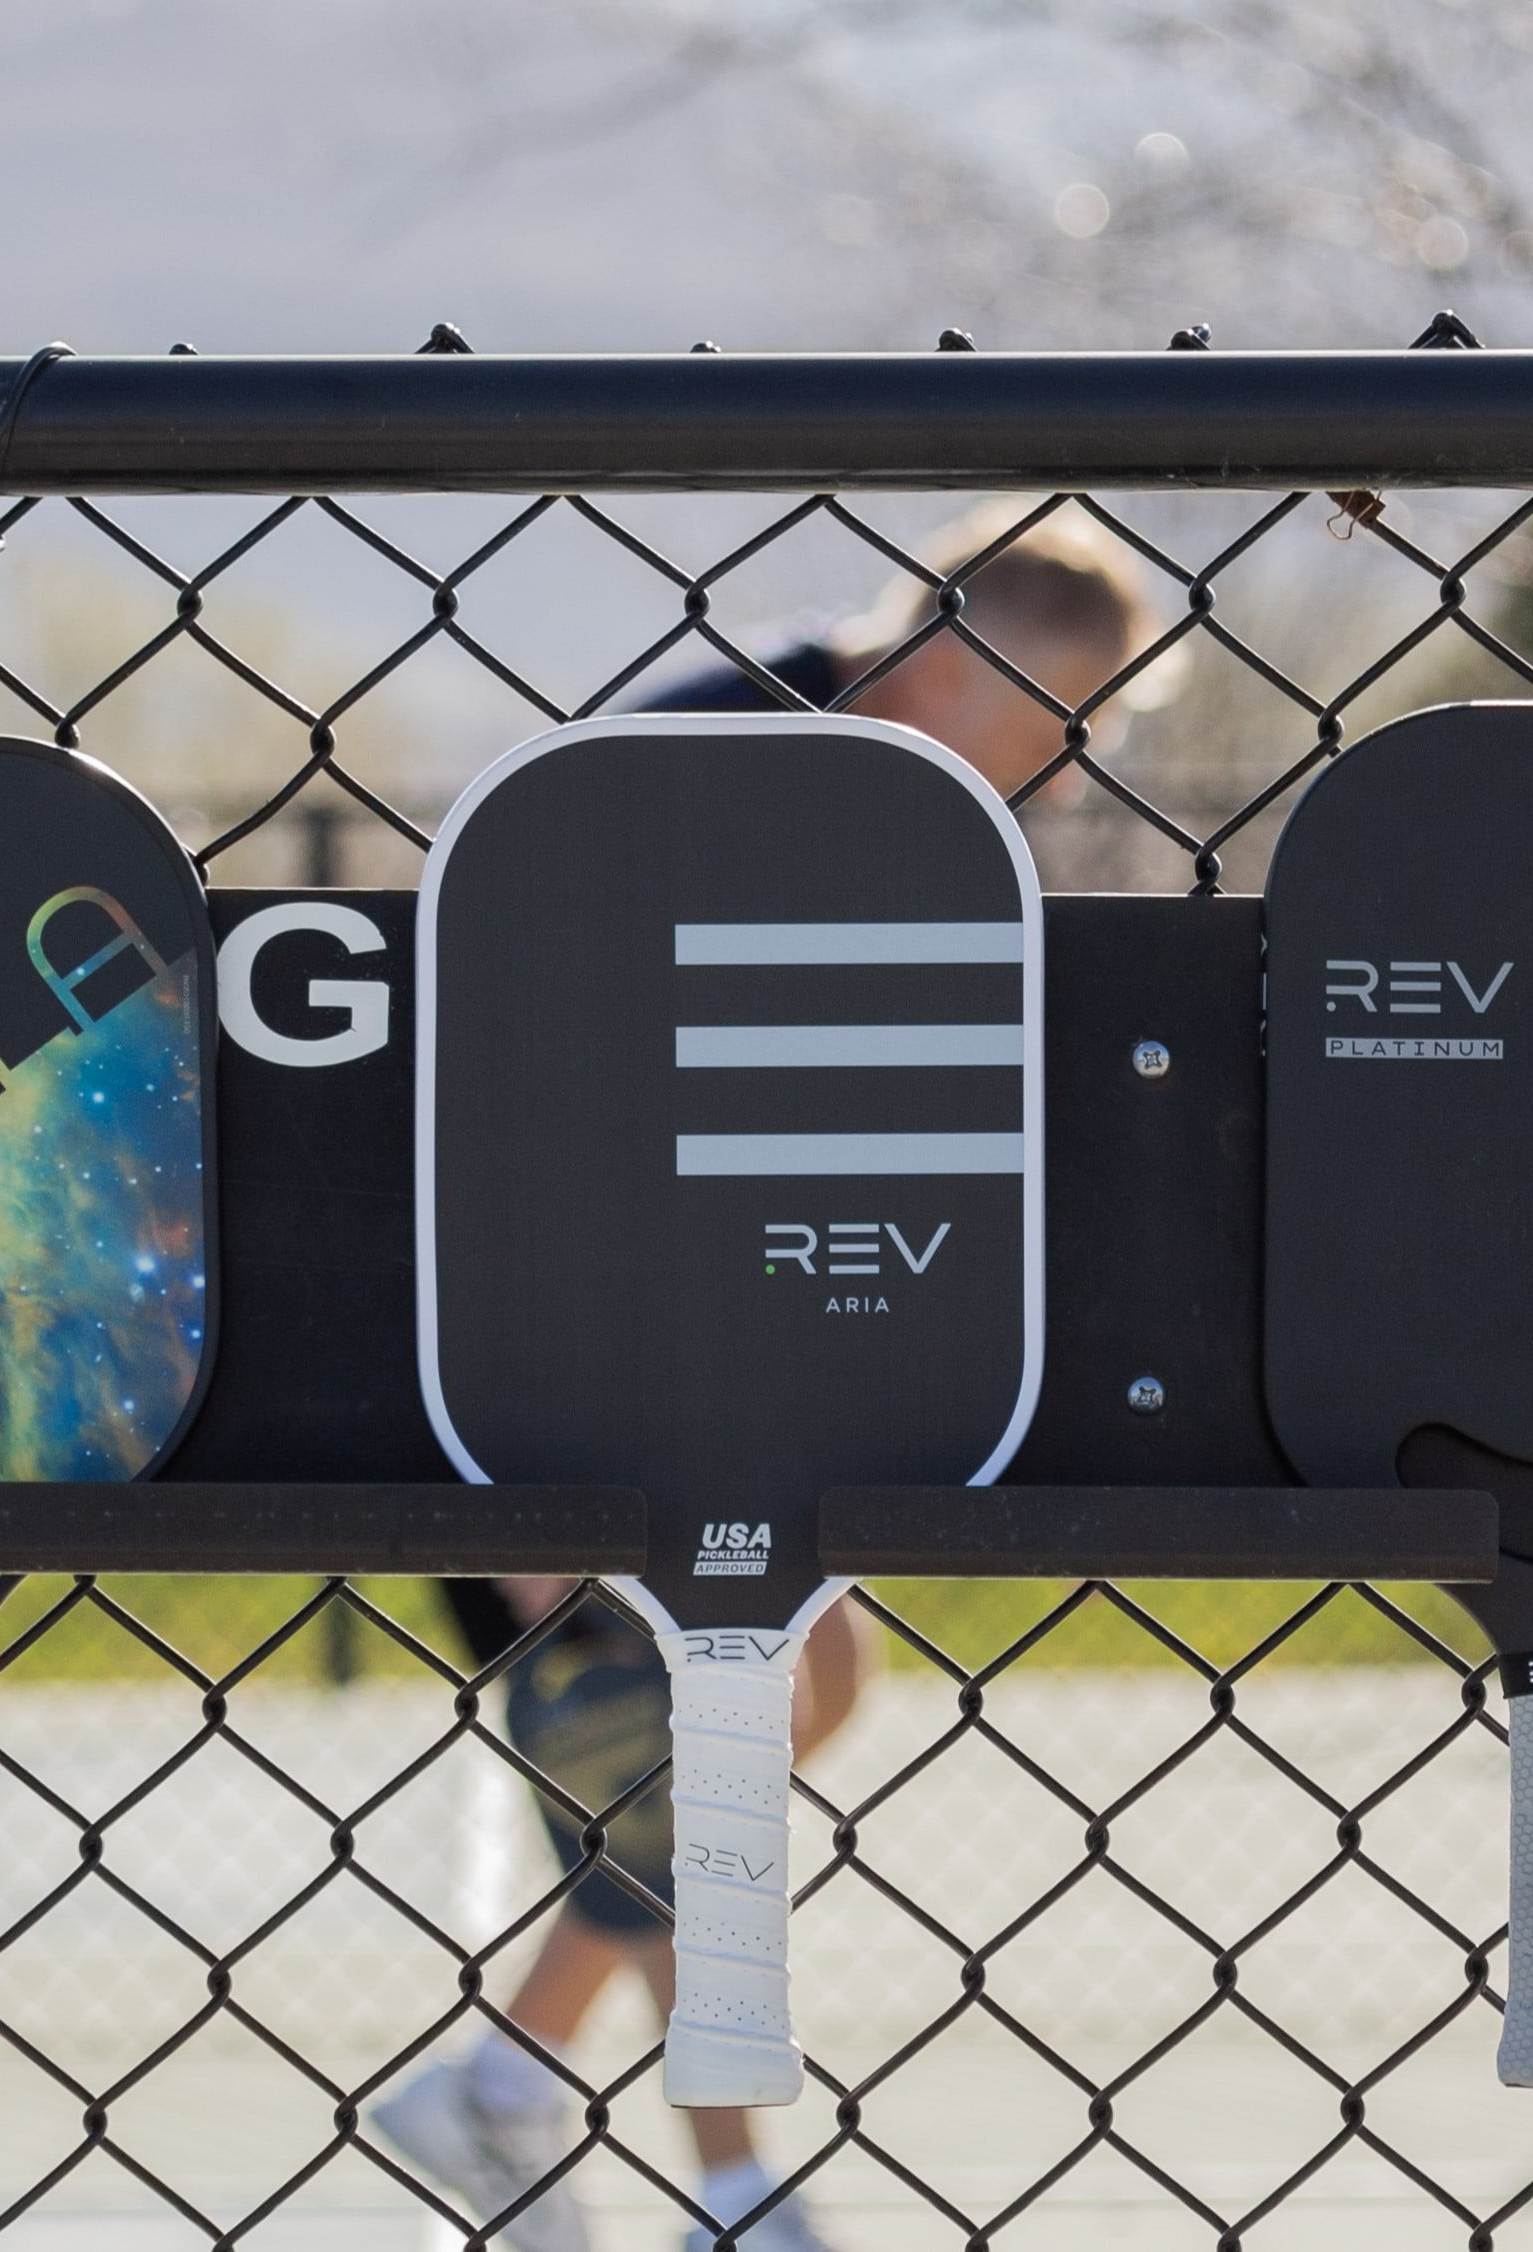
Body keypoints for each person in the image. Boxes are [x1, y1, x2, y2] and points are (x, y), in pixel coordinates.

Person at [370, 507, 1159, 2252]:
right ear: (955, 663)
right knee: (700, 1715)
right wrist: (513, 1473)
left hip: (712, 1343)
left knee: (769, 1696)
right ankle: (708, 2174)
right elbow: (501, 1074)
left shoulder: (907, 814)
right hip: (550, 1357)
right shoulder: (708, 763)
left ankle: (518, 2088)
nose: (1066, 761)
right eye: (1057, 715)